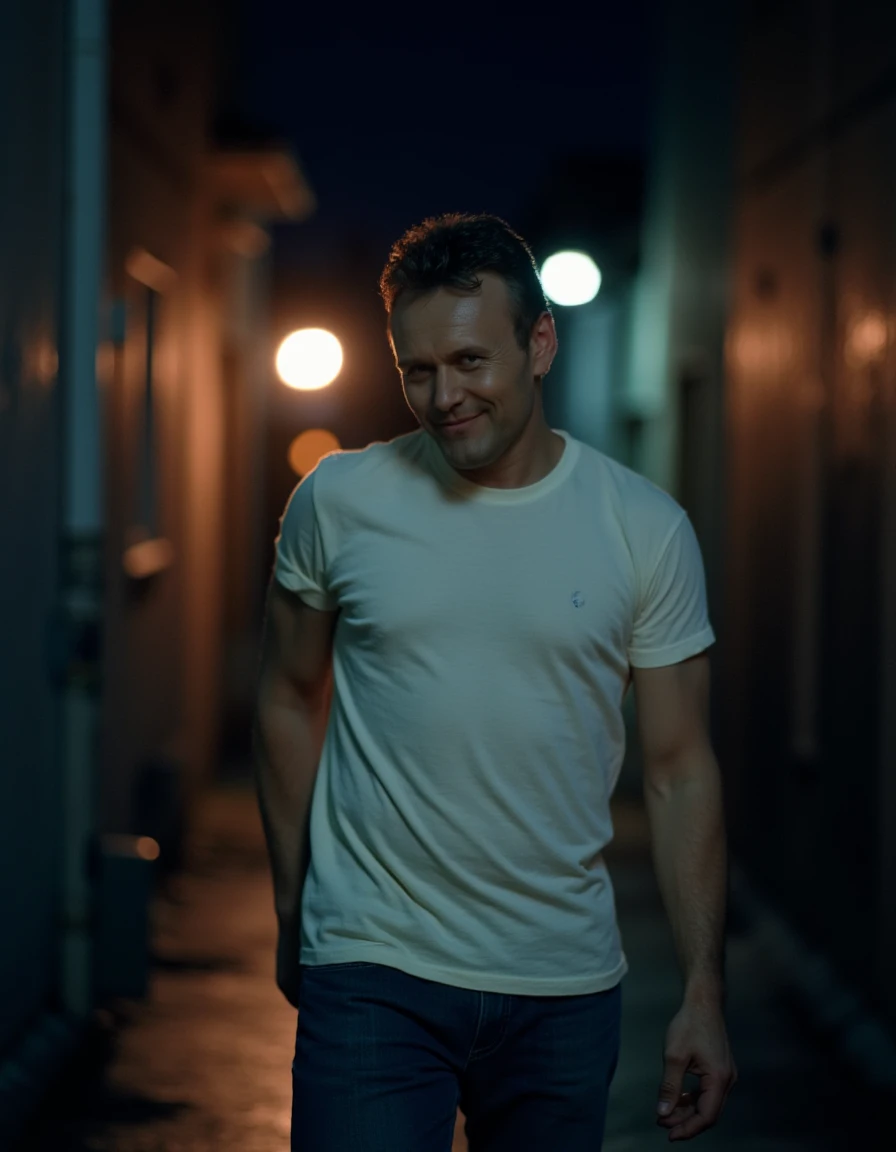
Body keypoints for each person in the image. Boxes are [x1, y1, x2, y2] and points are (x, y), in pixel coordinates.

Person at [253, 212, 737, 1152]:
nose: (443, 397)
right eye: (418, 370)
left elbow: (681, 769)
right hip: (373, 965)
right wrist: (294, 904)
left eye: (471, 362)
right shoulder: (341, 500)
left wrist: (703, 995)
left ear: (541, 341)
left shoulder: (644, 528)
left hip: (561, 986)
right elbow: (286, 692)